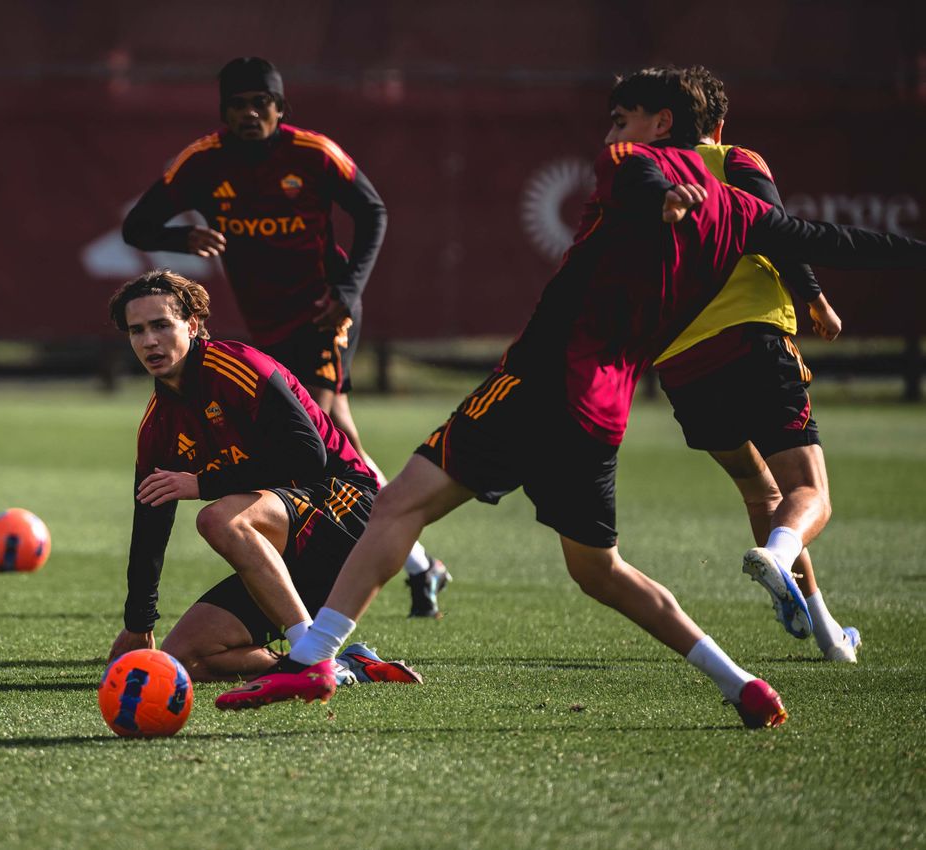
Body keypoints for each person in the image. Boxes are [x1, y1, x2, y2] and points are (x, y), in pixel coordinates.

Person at [214, 67, 926, 725]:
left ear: (659, 121)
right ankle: (740, 683)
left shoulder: (629, 163)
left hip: (538, 380)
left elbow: (642, 187)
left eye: (622, 116)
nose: (609, 131)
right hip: (603, 408)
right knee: (599, 571)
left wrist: (666, 196)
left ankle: (313, 661)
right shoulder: (740, 210)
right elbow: (836, 240)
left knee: (400, 502)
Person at [122, 56, 451, 618]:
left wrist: (347, 290)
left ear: (280, 108)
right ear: (223, 113)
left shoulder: (313, 155)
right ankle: (419, 562)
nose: (250, 114)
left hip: (324, 313)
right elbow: (138, 227)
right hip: (265, 328)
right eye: (238, 106)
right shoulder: (204, 162)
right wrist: (185, 238)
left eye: (261, 104)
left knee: (324, 430)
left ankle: (392, 555)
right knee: (334, 434)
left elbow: (372, 211)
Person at [106, 269, 422, 686]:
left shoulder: (238, 366)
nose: (149, 341)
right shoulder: (158, 425)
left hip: (346, 510)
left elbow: (309, 455)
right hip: (288, 548)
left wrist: (204, 484)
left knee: (219, 518)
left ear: (193, 325)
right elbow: (149, 520)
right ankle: (347, 667)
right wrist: (138, 624)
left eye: (161, 325)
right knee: (184, 658)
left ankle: (311, 652)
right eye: (137, 330)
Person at [652, 66, 858, 661]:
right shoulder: (735, 161)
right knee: (808, 491)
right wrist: (815, 298)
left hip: (683, 363)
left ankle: (826, 634)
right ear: (717, 124)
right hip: (753, 339)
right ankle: (780, 556)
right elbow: (780, 233)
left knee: (760, 491)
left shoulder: (643, 181)